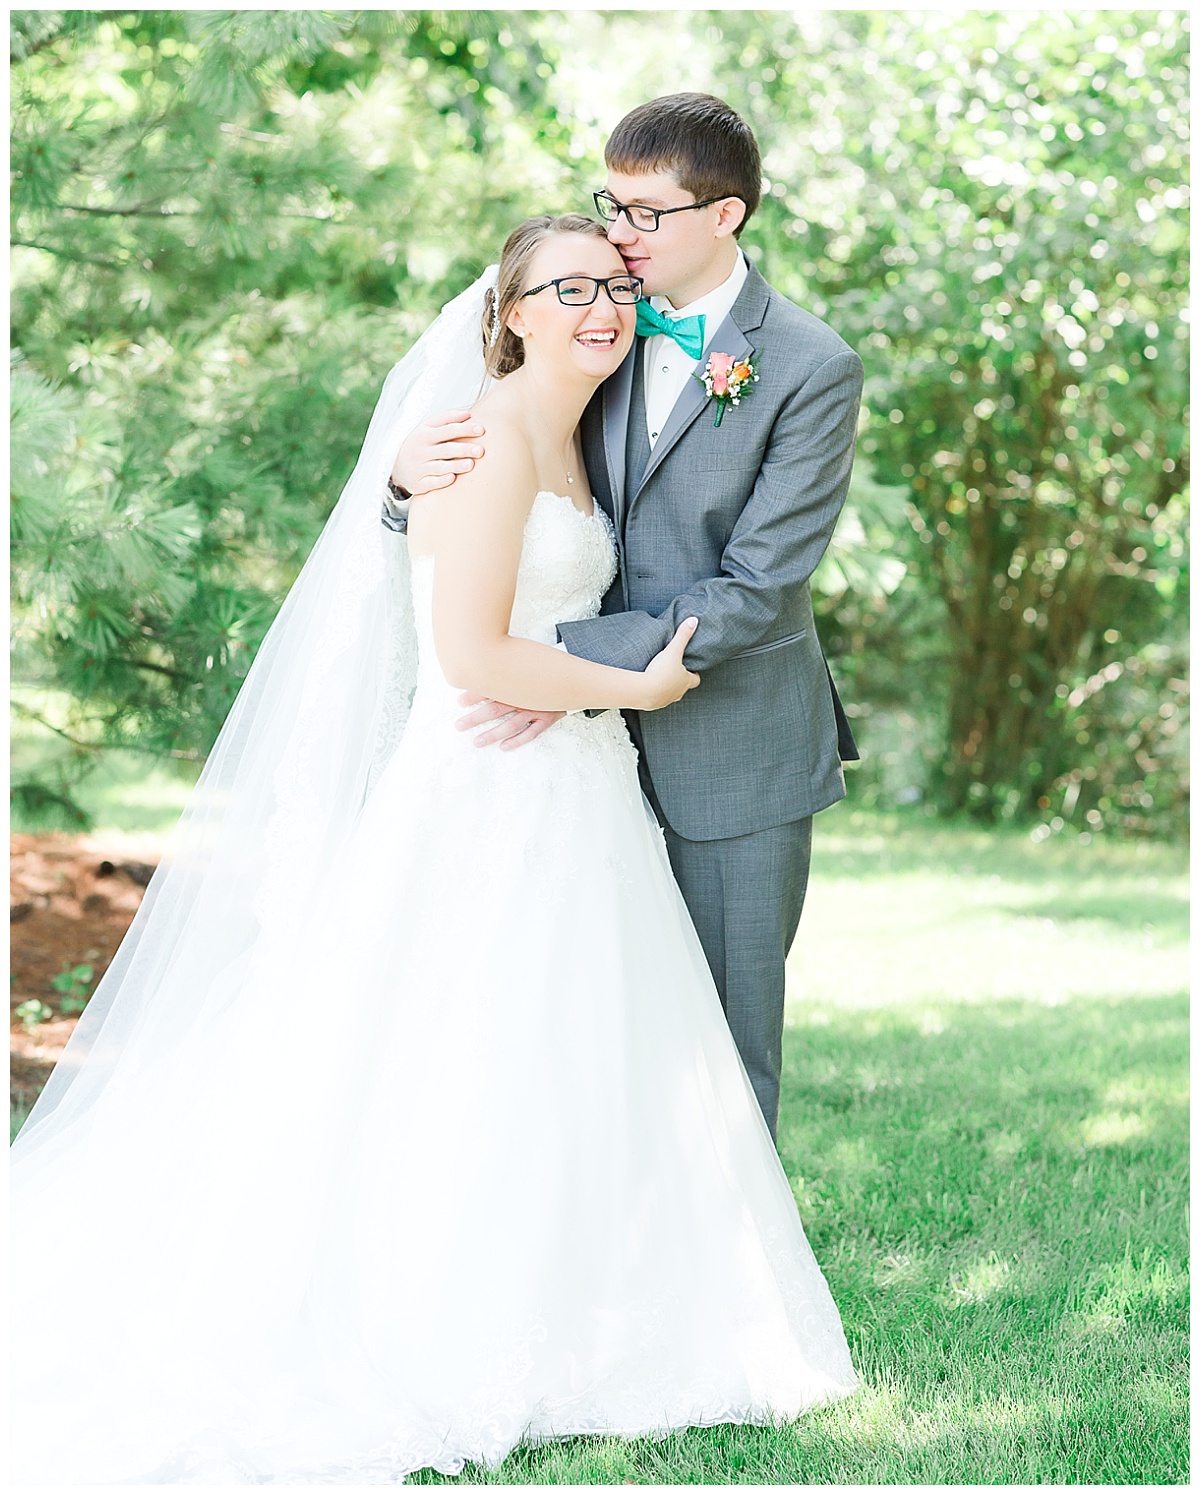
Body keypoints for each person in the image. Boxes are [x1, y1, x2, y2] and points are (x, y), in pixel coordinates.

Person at [10, 214, 858, 1485]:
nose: (600, 307)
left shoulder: (585, 424)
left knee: (579, 1046)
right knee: (463, 1041)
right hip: (489, 786)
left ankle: (604, 1294)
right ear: (507, 314)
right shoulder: (487, 439)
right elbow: (470, 656)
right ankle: (445, 1311)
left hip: (577, 788)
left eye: (612, 284)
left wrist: (583, 687)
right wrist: (630, 687)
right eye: (566, 289)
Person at [389, 94, 865, 1142]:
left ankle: (731, 1248)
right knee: (572, 1032)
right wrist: (400, 481)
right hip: (564, 756)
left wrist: (549, 661)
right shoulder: (597, 324)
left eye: (647, 213)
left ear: (725, 215)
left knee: (721, 1046)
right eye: (612, 204)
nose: (620, 233)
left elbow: (756, 584)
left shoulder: (810, 365)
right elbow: (501, 472)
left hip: (730, 740)